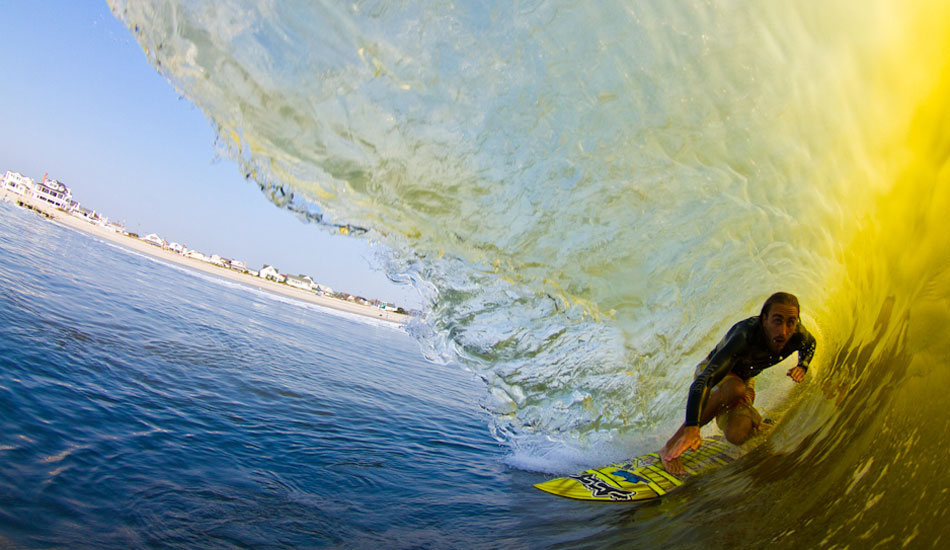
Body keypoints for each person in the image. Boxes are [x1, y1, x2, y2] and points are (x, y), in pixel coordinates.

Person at [658, 292, 816, 475]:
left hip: (744, 381)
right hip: (713, 375)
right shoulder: (744, 335)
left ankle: (752, 420)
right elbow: (704, 380)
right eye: (777, 321)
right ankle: (670, 446)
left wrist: (802, 366)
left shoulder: (797, 335)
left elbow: (810, 345)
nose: (784, 331)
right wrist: (692, 426)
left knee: (737, 434)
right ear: (764, 319)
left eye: (791, 322)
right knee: (735, 388)